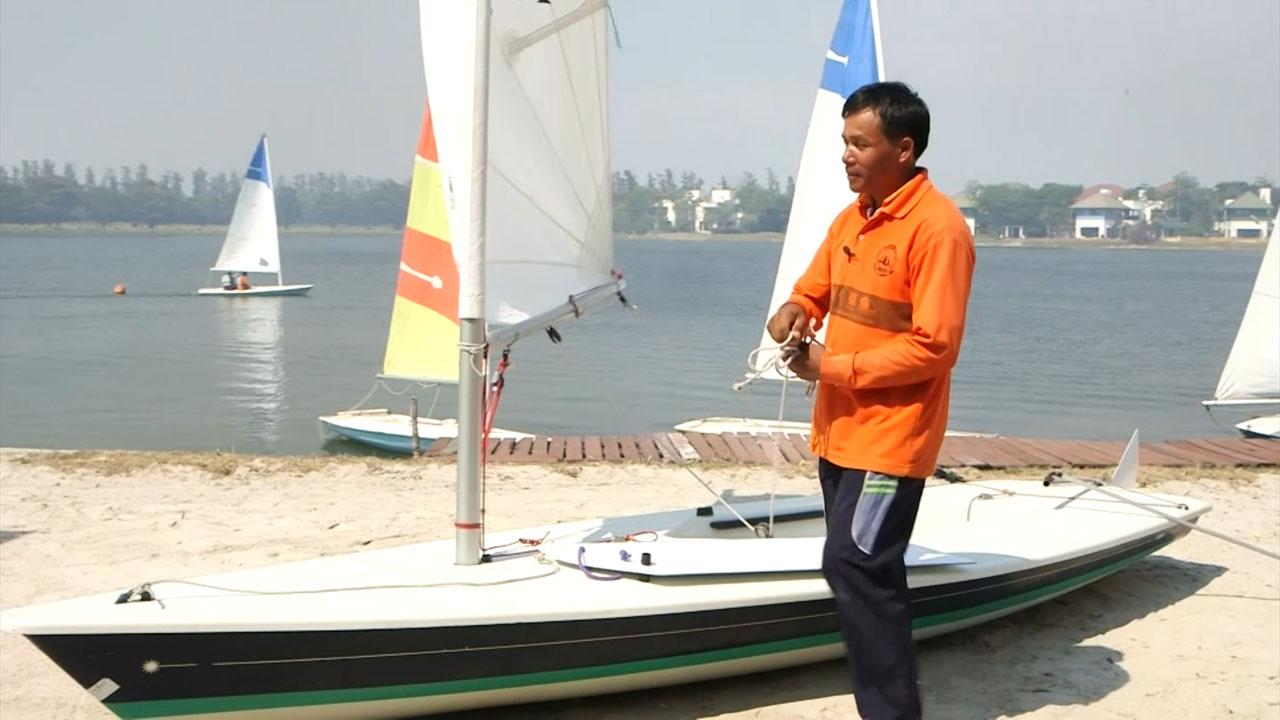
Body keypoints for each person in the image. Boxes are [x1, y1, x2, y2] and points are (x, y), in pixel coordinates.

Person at [767, 81, 975, 719]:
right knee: (864, 571)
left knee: (855, 568)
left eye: (861, 143)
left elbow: (934, 348)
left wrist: (832, 366)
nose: (847, 154)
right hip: (839, 434)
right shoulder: (852, 218)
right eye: (845, 142)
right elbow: (813, 290)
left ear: (903, 149)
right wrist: (793, 312)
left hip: (890, 441)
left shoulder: (938, 230)